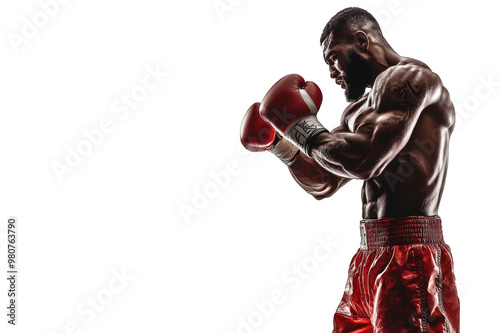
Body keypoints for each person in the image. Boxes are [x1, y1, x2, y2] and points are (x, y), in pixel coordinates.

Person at [240, 6, 460, 333]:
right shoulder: (357, 111)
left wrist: (301, 127)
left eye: (333, 58)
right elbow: (323, 181)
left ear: (360, 41)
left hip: (410, 255)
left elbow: (367, 158)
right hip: (368, 258)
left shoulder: (412, 80)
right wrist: (279, 143)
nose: (331, 72)